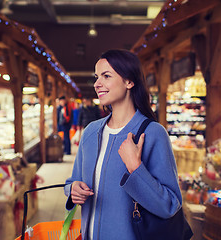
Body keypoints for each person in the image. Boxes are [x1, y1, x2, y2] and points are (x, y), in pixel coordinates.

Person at [64, 49, 183, 239]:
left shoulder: (152, 134)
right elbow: (72, 182)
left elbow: (170, 205)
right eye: (96, 77)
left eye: (106, 76)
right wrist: (73, 190)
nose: (97, 84)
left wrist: (135, 168)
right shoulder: (90, 132)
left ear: (129, 81)